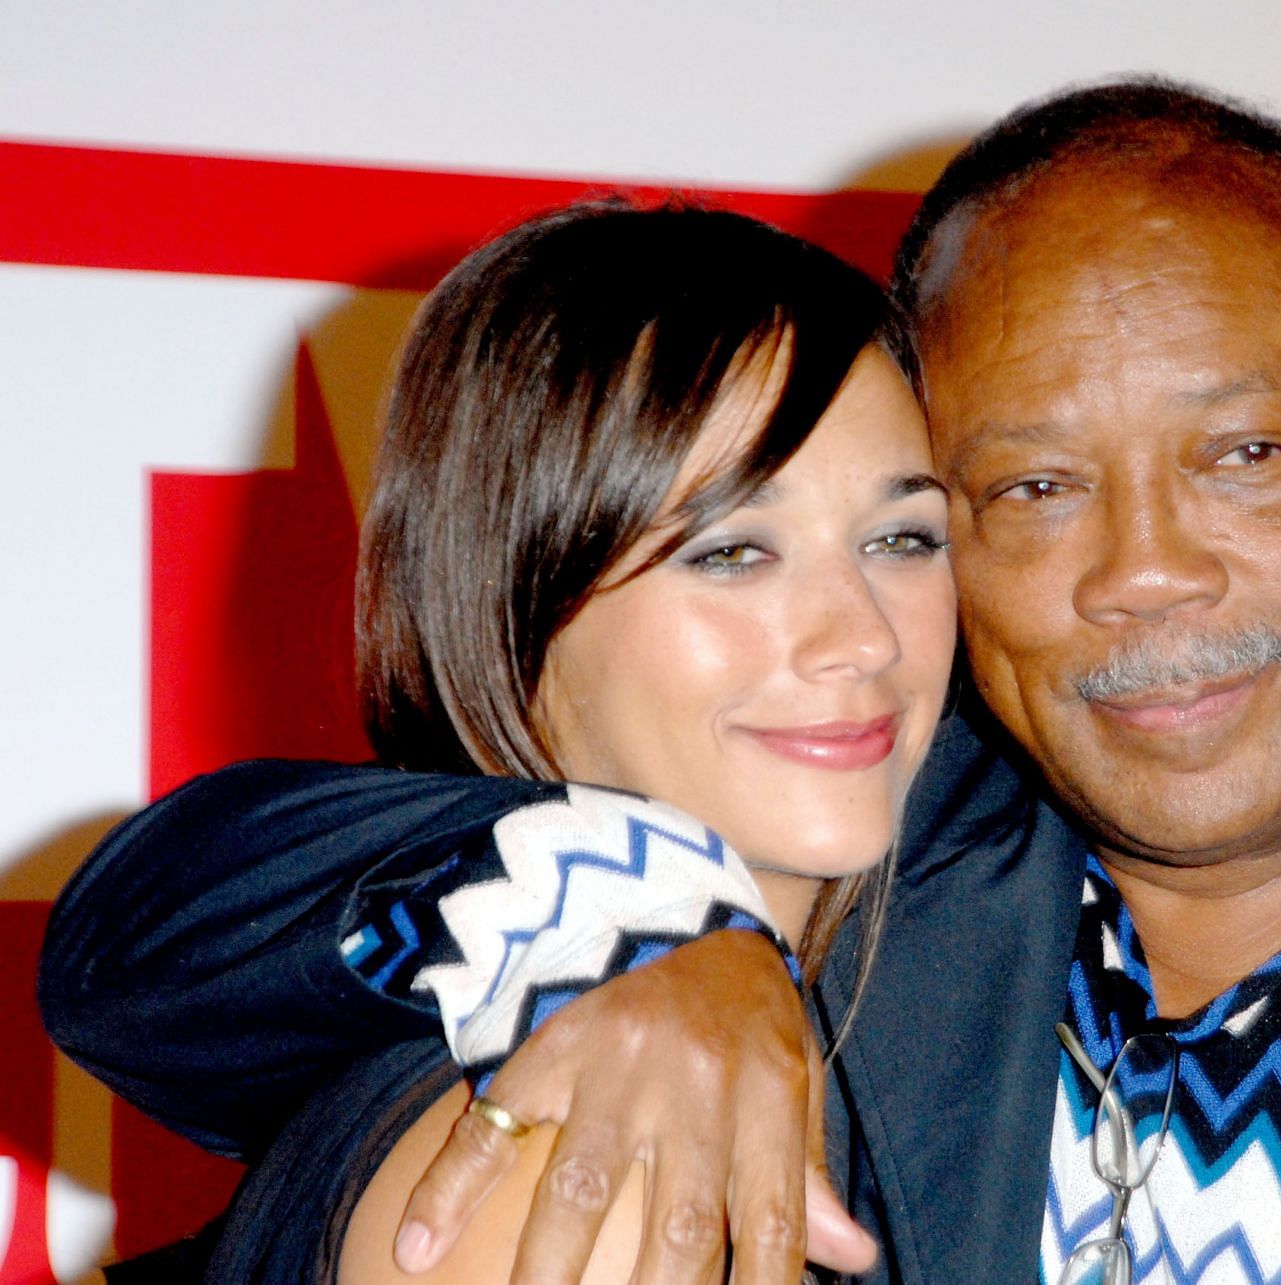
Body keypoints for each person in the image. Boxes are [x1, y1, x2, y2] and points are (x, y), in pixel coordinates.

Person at [44, 79, 1281, 1282]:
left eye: (1244, 456)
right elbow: (149, 935)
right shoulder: (863, 856)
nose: (1146, 567)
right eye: (1024, 486)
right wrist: (638, 914)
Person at [41, 198, 956, 1281]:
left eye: (902, 537)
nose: (862, 635)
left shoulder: (950, 923)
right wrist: (645, 907)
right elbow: (133, 936)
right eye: (731, 553)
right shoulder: (593, 1164)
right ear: (519, 610)